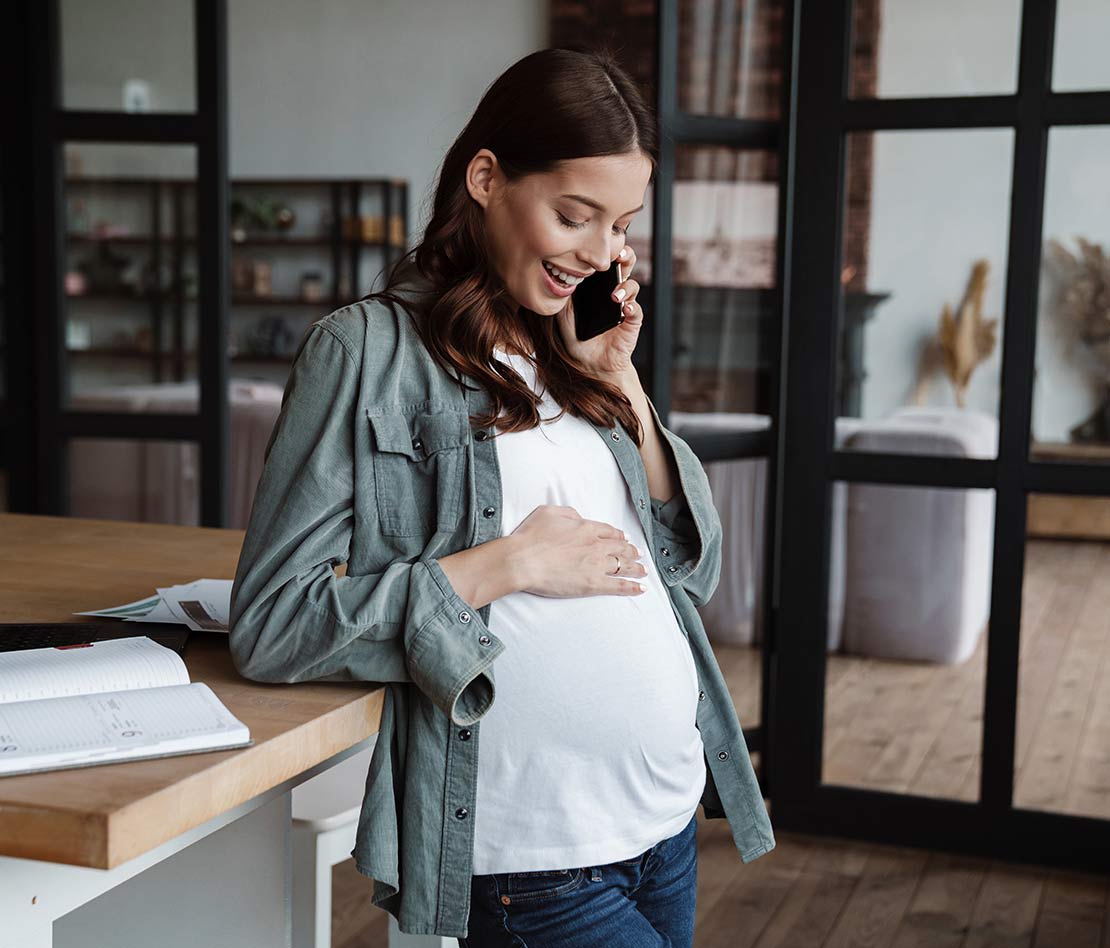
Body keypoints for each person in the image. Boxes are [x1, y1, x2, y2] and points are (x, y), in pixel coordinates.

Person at [229, 45, 775, 948]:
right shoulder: (365, 352)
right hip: (532, 858)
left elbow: (692, 563)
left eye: (621, 225)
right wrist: (503, 564)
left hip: (666, 822)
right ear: (486, 177)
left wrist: (622, 382)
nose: (598, 254)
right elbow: (276, 622)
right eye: (574, 215)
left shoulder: (575, 346)